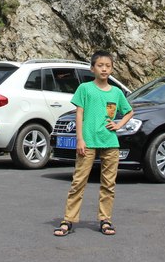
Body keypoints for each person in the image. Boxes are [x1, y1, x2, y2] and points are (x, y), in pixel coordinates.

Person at [53, 50, 134, 237]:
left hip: (110, 143)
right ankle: (68, 220)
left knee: (108, 184)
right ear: (92, 68)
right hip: (87, 142)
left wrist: (119, 124)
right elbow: (79, 114)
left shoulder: (116, 92)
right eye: (100, 65)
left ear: (112, 69)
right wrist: (79, 139)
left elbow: (129, 112)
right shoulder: (85, 89)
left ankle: (105, 220)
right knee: (78, 181)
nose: (104, 69)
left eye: (108, 66)